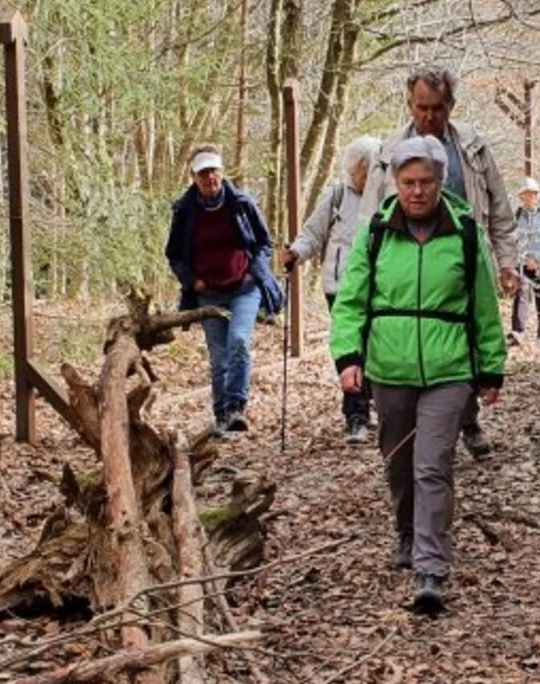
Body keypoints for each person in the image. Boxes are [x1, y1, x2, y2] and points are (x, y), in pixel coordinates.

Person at [329, 136, 506, 613]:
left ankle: (431, 567)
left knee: (433, 465)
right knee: (399, 465)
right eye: (408, 182)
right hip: (389, 369)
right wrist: (348, 357)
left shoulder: (465, 231)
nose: (417, 191)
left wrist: (491, 366)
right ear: (395, 184)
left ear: (440, 181)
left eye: (426, 181)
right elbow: (350, 301)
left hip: (450, 369)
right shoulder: (377, 231)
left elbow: (484, 306)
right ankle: (406, 534)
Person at [362, 65, 518, 459]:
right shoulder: (388, 152)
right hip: (404, 258)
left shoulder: (473, 147)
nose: (429, 116)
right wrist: (360, 270)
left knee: (463, 341)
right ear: (409, 105)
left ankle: (465, 419)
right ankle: (425, 429)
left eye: (437, 107)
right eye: (421, 107)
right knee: (419, 336)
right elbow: (368, 218)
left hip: (462, 257)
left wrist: (506, 261)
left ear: (451, 104)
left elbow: (498, 207)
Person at [166, 145, 285, 436]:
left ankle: (236, 408)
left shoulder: (241, 202)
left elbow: (263, 243)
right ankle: (221, 414)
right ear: (194, 177)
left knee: (240, 341)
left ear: (222, 172)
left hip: (243, 287)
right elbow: (174, 254)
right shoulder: (185, 210)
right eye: (203, 173)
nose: (210, 178)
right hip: (208, 293)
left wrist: (253, 272)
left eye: (214, 171)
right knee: (219, 355)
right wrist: (191, 281)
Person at [281, 135, 382, 444]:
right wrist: (296, 253)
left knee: (374, 347)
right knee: (350, 350)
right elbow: (312, 232)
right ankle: (355, 416)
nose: (365, 178)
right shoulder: (337, 196)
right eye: (361, 171)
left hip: (378, 288)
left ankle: (372, 402)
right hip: (339, 286)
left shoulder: (387, 198)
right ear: (353, 170)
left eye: (371, 171)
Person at [511, 177, 540, 345]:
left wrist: (538, 260)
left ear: (537, 195)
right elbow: (513, 240)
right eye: (525, 194)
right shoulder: (517, 216)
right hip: (523, 262)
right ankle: (517, 331)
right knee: (520, 292)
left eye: (532, 194)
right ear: (521, 196)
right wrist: (523, 259)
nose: (529, 197)